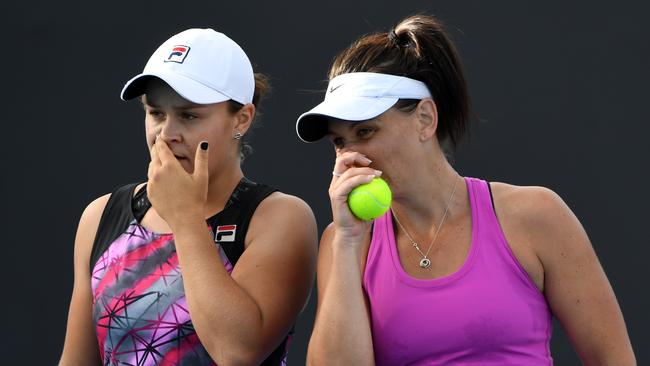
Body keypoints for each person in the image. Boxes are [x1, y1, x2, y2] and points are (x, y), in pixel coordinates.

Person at [296, 14, 635, 365]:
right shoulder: (343, 243)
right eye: (339, 142)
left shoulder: (536, 214)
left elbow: (613, 359)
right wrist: (349, 244)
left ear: (425, 119)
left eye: (366, 132)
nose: (350, 157)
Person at [60, 28, 317, 365]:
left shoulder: (280, 218)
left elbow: (236, 352)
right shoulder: (101, 216)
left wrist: (185, 217)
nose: (166, 135)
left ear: (241, 118)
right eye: (156, 113)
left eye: (189, 115)